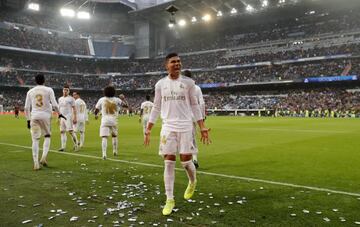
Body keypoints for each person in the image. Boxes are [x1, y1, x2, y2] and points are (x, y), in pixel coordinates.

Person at [144, 53, 211, 216]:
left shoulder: (189, 83)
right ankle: (169, 199)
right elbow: (157, 107)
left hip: (186, 126)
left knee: (186, 162)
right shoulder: (160, 84)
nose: (177, 64)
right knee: (168, 162)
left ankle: (192, 180)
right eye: (173, 62)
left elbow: (195, 106)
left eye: (179, 61)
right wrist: (148, 128)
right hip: (168, 127)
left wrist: (202, 126)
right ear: (166, 65)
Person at [24, 74, 65, 170]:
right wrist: (59, 113)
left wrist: (28, 120)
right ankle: (43, 157)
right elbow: (54, 104)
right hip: (46, 116)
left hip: (34, 116)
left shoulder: (30, 91)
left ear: (35, 81)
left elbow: (26, 107)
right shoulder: (49, 90)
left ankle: (36, 164)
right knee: (47, 136)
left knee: (35, 140)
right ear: (44, 80)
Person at [95, 86, 128, 159]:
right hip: (114, 121)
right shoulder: (117, 100)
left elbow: (96, 109)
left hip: (105, 121)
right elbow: (126, 106)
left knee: (104, 137)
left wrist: (96, 115)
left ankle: (104, 154)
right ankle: (115, 151)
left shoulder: (102, 99)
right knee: (114, 136)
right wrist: (123, 99)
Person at [183, 70, 206, 169]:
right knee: (191, 137)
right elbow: (202, 103)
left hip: (183, 116)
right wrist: (202, 117)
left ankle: (190, 159)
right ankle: (194, 158)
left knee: (185, 138)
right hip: (194, 116)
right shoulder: (197, 88)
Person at [58, 85, 78, 152]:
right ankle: (63, 147)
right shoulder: (60, 99)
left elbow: (74, 108)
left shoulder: (71, 99)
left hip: (68, 117)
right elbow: (59, 108)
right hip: (62, 117)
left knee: (70, 131)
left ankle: (76, 145)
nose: (65, 91)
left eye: (67, 90)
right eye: (64, 89)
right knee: (62, 132)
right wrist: (58, 118)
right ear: (62, 90)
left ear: (69, 91)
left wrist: (75, 117)